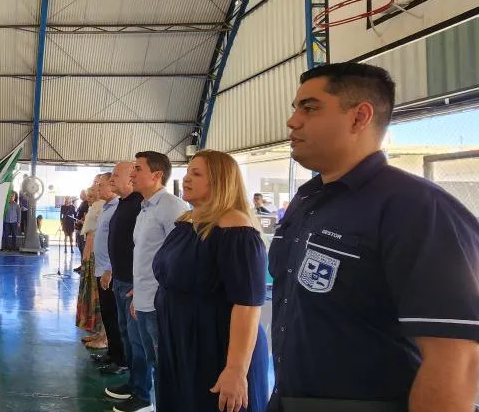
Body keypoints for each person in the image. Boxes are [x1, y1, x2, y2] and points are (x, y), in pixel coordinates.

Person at [270, 62, 479, 410]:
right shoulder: (309, 199)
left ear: (358, 117)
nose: (293, 121)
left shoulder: (417, 209)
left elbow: (456, 359)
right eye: (295, 109)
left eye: (309, 108)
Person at [152, 150, 269, 412]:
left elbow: (248, 304)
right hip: (182, 340)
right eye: (187, 172)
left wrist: (236, 369)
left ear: (220, 181)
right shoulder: (188, 221)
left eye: (196, 173)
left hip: (214, 346)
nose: (186, 179)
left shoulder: (235, 228)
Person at [118, 151, 189, 412]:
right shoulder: (146, 207)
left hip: (160, 303)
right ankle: (147, 399)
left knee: (164, 364)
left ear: (157, 175)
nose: (132, 174)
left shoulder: (171, 207)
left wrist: (158, 293)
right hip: (145, 297)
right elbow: (148, 255)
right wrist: (139, 291)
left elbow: (180, 256)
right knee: (150, 358)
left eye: (138, 168)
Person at [103, 162, 151, 409]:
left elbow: (149, 249)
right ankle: (133, 383)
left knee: (137, 341)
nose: (112, 179)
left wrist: (140, 284)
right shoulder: (124, 204)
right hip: (121, 280)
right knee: (126, 335)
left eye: (116, 175)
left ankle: (143, 394)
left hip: (133, 284)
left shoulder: (138, 205)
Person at [90, 172, 126, 375]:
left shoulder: (117, 208)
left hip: (108, 271)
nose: (98, 188)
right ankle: (112, 353)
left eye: (101, 184)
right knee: (107, 314)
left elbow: (119, 242)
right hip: (101, 268)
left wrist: (110, 269)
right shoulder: (107, 207)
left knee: (114, 316)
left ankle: (121, 359)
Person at [77, 176, 105, 346]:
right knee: (95, 295)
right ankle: (98, 331)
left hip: (97, 255)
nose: (94, 188)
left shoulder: (105, 206)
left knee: (100, 297)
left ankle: (105, 336)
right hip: (90, 252)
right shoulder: (96, 205)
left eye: (98, 184)